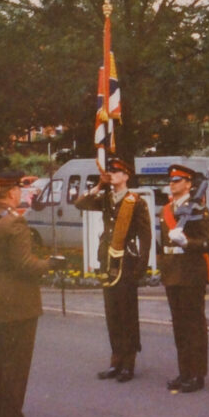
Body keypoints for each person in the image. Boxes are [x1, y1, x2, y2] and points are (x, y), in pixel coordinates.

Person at [0, 171, 62, 417]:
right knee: (15, 368)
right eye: (20, 189)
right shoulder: (14, 222)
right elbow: (25, 264)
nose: (22, 194)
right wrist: (51, 264)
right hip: (17, 302)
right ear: (12, 192)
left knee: (0, 366)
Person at [74, 158, 152, 383]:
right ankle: (115, 360)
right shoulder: (106, 198)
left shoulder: (135, 201)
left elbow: (145, 236)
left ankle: (128, 363)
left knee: (127, 313)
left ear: (126, 176)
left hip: (126, 261)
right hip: (107, 260)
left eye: (117, 172)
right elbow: (80, 204)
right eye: (111, 171)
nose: (113, 174)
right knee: (112, 313)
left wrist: (142, 266)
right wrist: (99, 185)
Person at [158, 164, 209, 394]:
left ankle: (197, 374)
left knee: (194, 326)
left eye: (178, 180)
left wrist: (187, 243)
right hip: (173, 273)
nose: (173, 183)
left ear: (189, 184)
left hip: (191, 273)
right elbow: (162, 245)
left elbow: (207, 243)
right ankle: (184, 371)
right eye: (171, 180)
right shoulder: (167, 209)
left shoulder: (198, 208)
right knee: (179, 326)